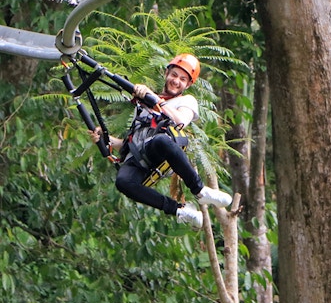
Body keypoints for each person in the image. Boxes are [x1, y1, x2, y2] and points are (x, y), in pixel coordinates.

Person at [89, 53, 232, 229]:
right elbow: (129, 143)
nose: (176, 81)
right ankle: (180, 210)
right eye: (174, 75)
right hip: (140, 155)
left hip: (162, 150)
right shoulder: (144, 104)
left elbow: (180, 120)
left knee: (161, 141)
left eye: (182, 79)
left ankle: (199, 190)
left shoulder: (186, 101)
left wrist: (154, 100)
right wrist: (106, 139)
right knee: (123, 181)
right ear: (166, 74)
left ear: (187, 85)